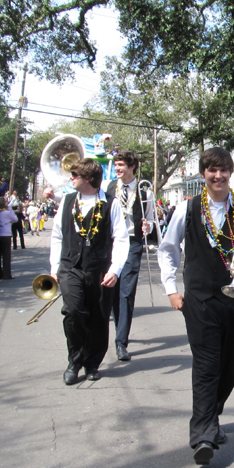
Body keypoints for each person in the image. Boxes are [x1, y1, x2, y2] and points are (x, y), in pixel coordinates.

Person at [158, 147, 234, 466]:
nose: (217, 175)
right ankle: (202, 434)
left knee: (229, 368)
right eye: (211, 170)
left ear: (230, 173)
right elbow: (166, 249)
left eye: (223, 170)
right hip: (200, 300)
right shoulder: (187, 208)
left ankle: (213, 416)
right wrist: (171, 289)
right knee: (207, 365)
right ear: (204, 173)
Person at [49, 158, 129, 385]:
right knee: (73, 312)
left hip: (99, 270)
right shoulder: (66, 201)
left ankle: (92, 362)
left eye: (75, 174)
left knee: (99, 317)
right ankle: (74, 361)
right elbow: (57, 237)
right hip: (70, 267)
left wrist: (115, 270)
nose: (71, 177)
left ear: (88, 178)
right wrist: (55, 268)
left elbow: (121, 239)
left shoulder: (110, 204)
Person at [104, 150, 154, 361]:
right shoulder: (107, 188)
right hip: (110, 243)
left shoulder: (145, 192)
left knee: (126, 291)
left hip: (133, 243)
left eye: (121, 165)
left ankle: (121, 342)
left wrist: (147, 226)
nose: (117, 168)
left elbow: (151, 222)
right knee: (111, 290)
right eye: (115, 165)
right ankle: (117, 330)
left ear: (132, 167)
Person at [0, 197, 18, 280]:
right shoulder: (7, 211)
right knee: (6, 255)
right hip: (6, 234)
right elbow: (15, 219)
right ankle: (6, 274)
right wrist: (10, 209)